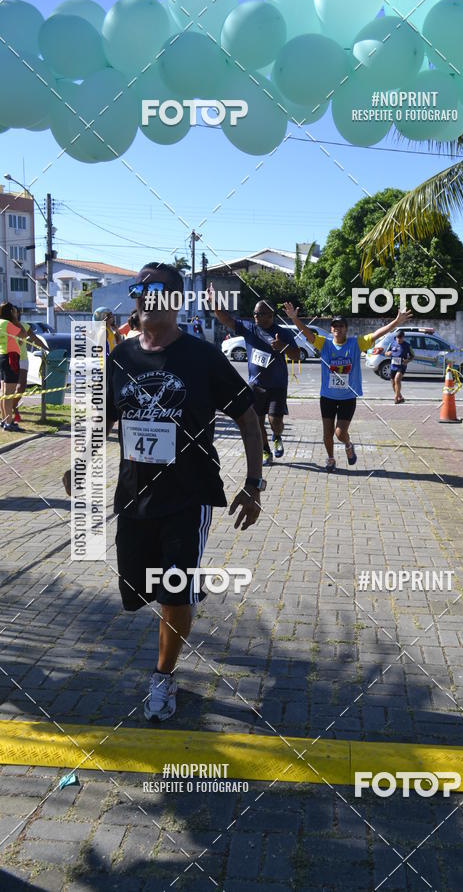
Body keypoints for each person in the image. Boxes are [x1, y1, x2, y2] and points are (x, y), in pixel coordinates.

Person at [65, 263, 264, 722]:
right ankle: (182, 593)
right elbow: (102, 418)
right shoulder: (120, 359)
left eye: (153, 290)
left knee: (173, 591)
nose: (142, 298)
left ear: (174, 300)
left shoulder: (202, 357)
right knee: (140, 588)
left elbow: (248, 419)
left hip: (187, 496)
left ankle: (163, 674)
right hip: (134, 497)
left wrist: (253, 484)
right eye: (138, 289)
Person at [283, 303, 411, 472]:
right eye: (335, 326)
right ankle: (330, 459)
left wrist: (396, 322)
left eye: (341, 326)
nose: (338, 329)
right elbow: (308, 333)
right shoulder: (325, 344)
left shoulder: (356, 344)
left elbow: (377, 334)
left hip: (347, 398)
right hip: (327, 397)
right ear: (331, 329)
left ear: (346, 329)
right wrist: (294, 318)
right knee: (327, 433)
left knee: (340, 433)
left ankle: (348, 445)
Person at [213, 296, 301, 466]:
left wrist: (283, 346)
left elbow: (297, 355)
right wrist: (214, 301)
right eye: (254, 313)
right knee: (257, 422)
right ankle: (266, 450)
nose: (255, 316)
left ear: (270, 315)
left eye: (259, 314)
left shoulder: (283, 333)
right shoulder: (249, 329)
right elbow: (226, 319)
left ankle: (277, 436)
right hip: (256, 385)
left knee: (275, 421)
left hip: (278, 385)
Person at [13, 308, 45, 422]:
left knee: (21, 386)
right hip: (7, 359)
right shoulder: (3, 326)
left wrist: (46, 349)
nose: (13, 314)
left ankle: (13, 406)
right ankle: (13, 411)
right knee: (8, 388)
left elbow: (35, 339)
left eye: (15, 312)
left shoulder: (24, 326)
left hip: (22, 359)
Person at [0, 302, 26, 432]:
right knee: (9, 393)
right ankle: (9, 422)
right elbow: (23, 334)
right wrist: (15, 318)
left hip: (2, 356)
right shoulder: (8, 324)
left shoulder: (0, 323)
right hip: (10, 357)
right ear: (10, 312)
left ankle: (5, 420)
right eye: (15, 311)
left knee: (4, 392)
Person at [385, 329, 413, 404]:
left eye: (400, 338)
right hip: (393, 365)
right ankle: (400, 397)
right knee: (393, 383)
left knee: (397, 380)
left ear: (403, 337)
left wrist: (407, 360)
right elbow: (386, 353)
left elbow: (412, 356)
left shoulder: (407, 345)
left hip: (402, 365)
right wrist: (388, 353)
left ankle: (396, 398)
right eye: (397, 337)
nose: (399, 339)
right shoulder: (392, 344)